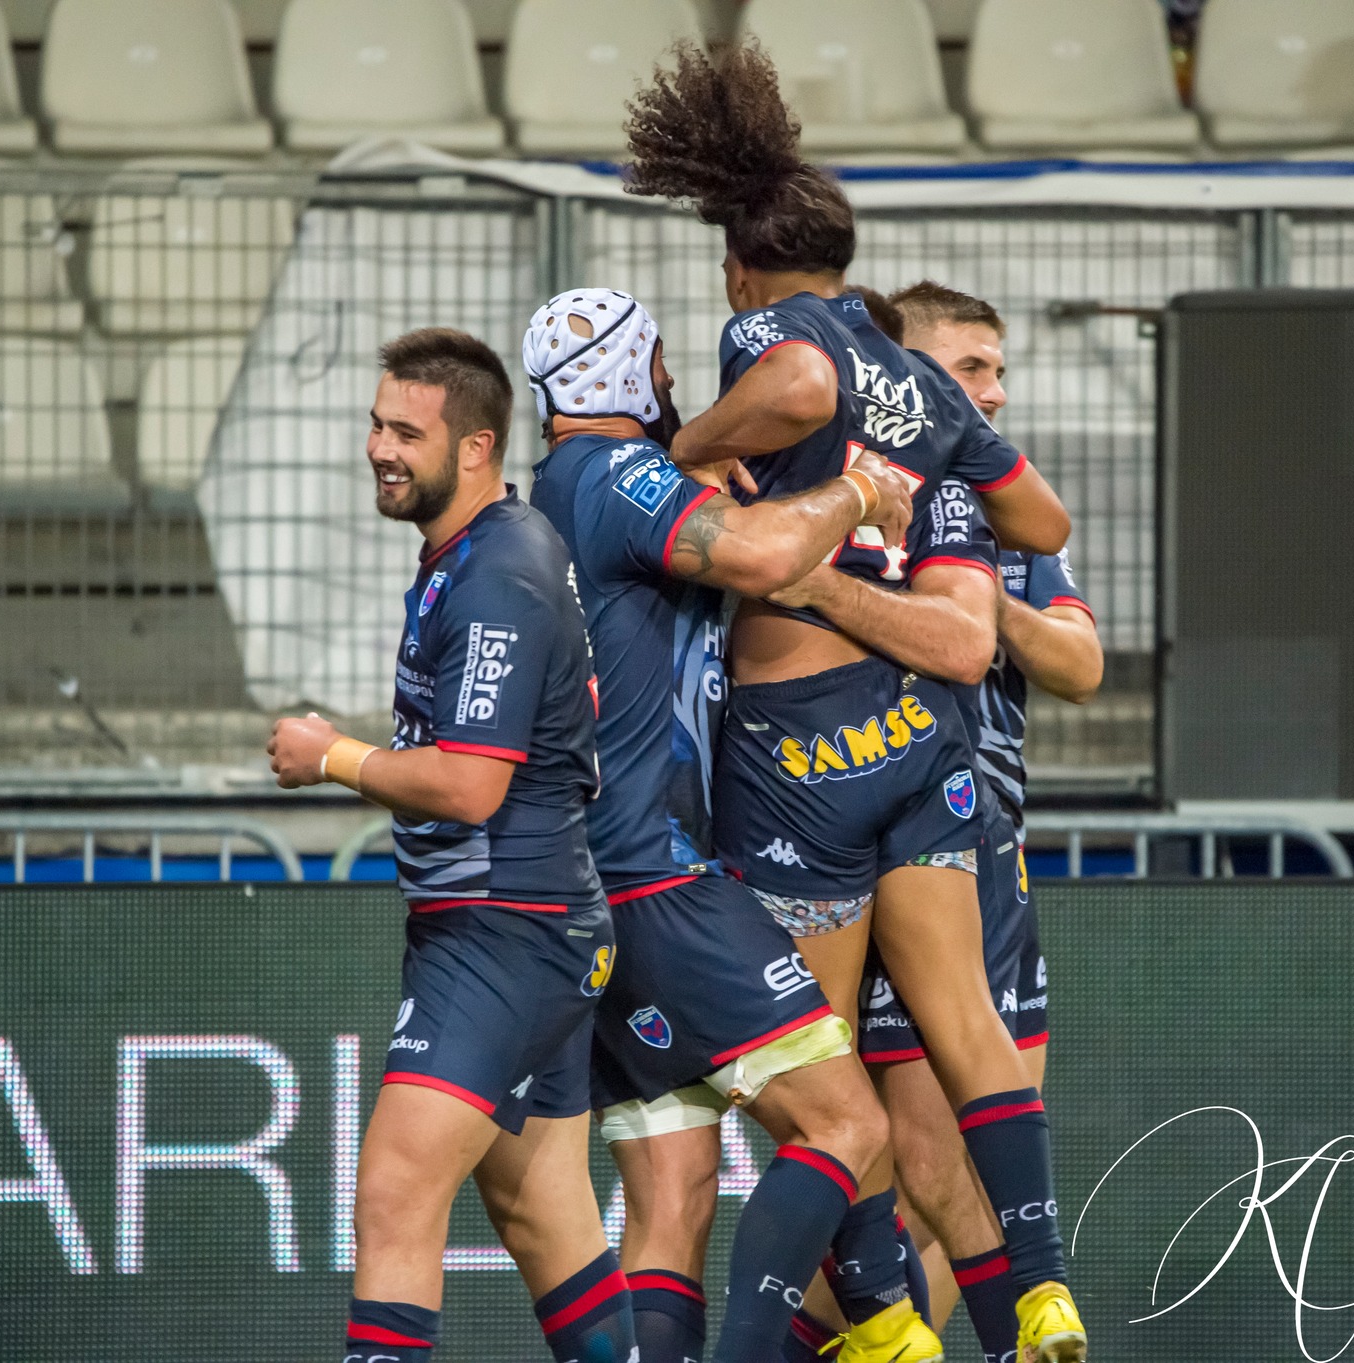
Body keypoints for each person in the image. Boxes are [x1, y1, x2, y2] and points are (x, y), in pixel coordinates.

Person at [624, 40, 1082, 1363]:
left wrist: (685, 449)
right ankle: (1043, 1287)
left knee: (813, 1074)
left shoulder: (769, 331)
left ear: (739, 268)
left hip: (802, 755)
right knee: (966, 1029)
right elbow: (1041, 519)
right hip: (918, 743)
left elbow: (796, 386)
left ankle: (882, 1321)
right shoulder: (925, 386)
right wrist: (930, 466)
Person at [522, 286, 918, 1363]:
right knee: (847, 1123)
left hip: (590, 883)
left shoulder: (559, 487)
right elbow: (757, 555)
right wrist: (858, 489)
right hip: (657, 874)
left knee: (673, 1192)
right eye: (657, 366)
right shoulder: (614, 473)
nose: (671, 386)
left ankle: (871, 1322)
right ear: (624, 372)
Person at [266, 330, 633, 1363]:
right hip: (525, 925)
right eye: (376, 424)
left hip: (505, 932)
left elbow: (472, 784)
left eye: (406, 432)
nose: (379, 448)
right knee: (543, 1218)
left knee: (394, 1191)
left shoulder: (496, 576)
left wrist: (330, 755)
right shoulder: (478, 551)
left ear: (475, 448)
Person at [789, 283, 1102, 1363]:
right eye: (969, 370)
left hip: (989, 858)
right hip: (885, 848)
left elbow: (1079, 665)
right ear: (904, 377)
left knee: (945, 1175)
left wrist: (971, 593)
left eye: (997, 370)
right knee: (916, 1164)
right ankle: (1015, 1327)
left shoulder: (1000, 518)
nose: (993, 393)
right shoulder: (835, 491)